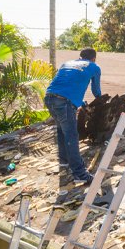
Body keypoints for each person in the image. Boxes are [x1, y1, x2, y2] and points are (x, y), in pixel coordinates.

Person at [45, 48, 101, 185]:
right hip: (64, 102)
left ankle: (64, 161)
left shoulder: (67, 63)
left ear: (80, 57)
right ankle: (80, 174)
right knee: (71, 135)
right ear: (93, 58)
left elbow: (67, 85)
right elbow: (96, 91)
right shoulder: (94, 67)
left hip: (49, 98)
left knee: (61, 130)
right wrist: (102, 102)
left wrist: (81, 103)